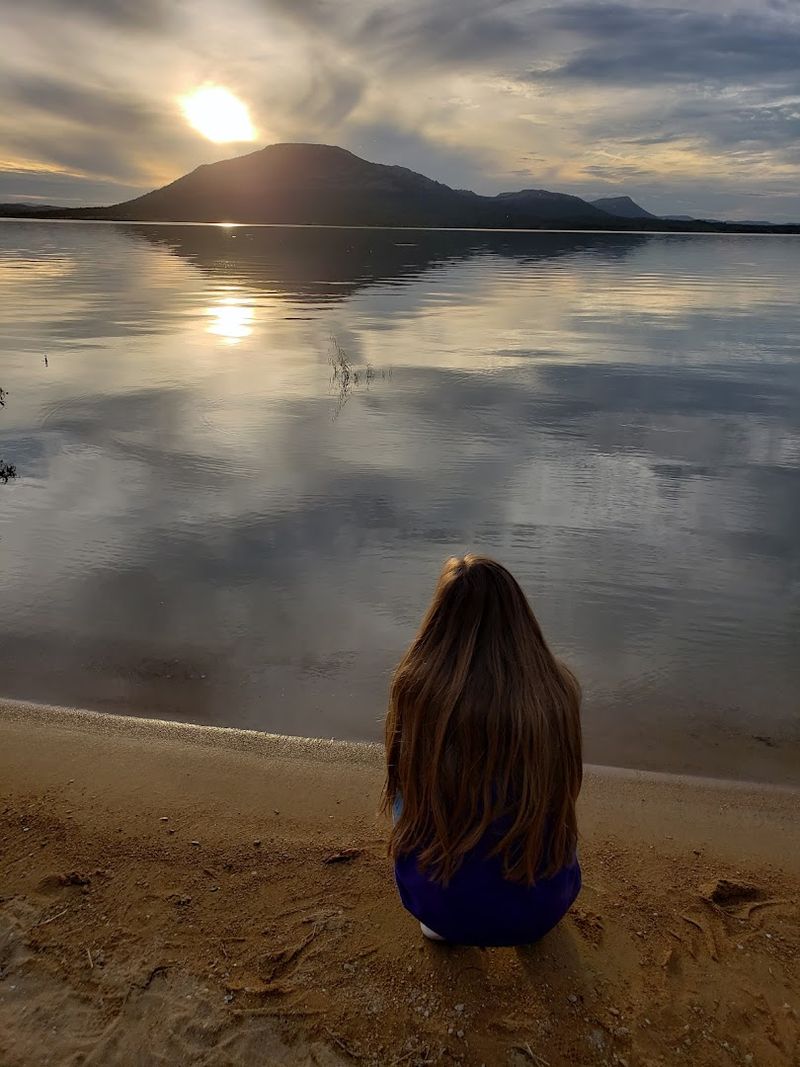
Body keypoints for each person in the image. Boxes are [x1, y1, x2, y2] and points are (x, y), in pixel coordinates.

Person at [383, 554, 582, 946]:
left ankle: (446, 892)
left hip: (439, 909)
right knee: (540, 790)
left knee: (410, 780)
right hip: (542, 910)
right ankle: (519, 898)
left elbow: (400, 786)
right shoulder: (556, 692)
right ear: (520, 618)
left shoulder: (416, 691)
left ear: (439, 620)